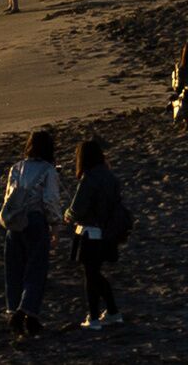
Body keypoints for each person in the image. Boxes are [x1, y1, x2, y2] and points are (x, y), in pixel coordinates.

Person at [8, 128, 70, 336]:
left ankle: (15, 309)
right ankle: (27, 312)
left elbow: (10, 197)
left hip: (15, 222)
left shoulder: (16, 168)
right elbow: (50, 201)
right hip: (35, 221)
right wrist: (55, 226)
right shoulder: (48, 170)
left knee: (15, 269)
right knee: (36, 269)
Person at [71, 136, 134, 331]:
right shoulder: (110, 177)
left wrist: (67, 214)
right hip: (107, 232)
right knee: (95, 274)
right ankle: (113, 313)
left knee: (91, 276)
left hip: (90, 233)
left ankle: (94, 318)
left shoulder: (89, 179)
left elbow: (77, 209)